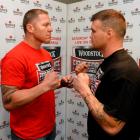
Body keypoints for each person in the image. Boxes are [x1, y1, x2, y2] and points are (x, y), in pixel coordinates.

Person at [1, 9, 72, 140]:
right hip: (28, 134)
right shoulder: (14, 57)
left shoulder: (45, 54)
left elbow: (42, 85)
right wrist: (45, 86)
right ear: (30, 28)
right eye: (45, 25)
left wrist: (61, 83)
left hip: (49, 126)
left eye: (50, 24)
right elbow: (8, 102)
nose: (51, 29)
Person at [72, 9, 140, 140]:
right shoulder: (110, 61)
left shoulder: (125, 70)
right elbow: (106, 95)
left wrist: (84, 90)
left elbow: (113, 126)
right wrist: (84, 80)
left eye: (93, 31)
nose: (90, 36)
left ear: (109, 33)